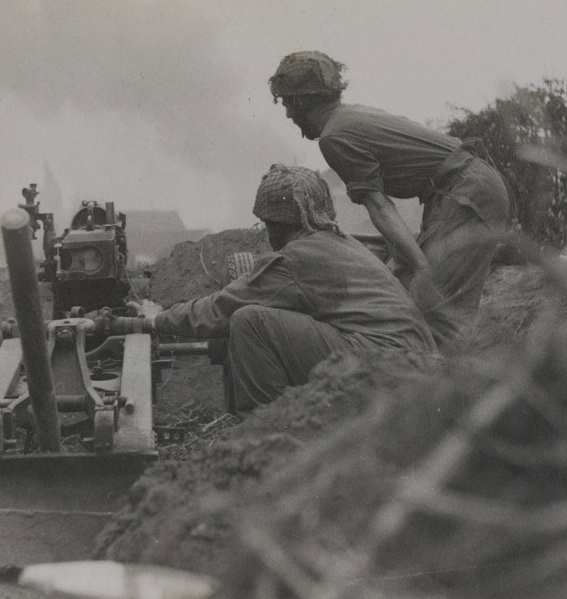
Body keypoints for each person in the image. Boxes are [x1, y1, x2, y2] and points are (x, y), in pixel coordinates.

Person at [111, 165, 436, 413]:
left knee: (248, 320)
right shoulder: (341, 243)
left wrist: (156, 319)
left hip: (381, 364)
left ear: (273, 226)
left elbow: (220, 310)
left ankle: (267, 434)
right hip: (413, 362)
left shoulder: (296, 258)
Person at [269, 51, 511, 348]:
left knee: (435, 313)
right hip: (467, 187)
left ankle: (461, 389)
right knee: (419, 299)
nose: (287, 114)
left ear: (299, 102)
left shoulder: (334, 137)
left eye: (286, 103)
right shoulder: (351, 116)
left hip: (465, 192)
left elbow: (380, 206)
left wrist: (422, 267)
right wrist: (401, 263)